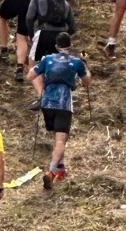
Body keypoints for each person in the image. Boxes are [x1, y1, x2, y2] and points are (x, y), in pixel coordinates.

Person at [29, 42, 91, 189]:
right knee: (60, 140)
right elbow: (87, 82)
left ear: (56, 46)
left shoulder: (47, 59)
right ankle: (51, 171)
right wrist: (85, 65)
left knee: (55, 136)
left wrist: (37, 65)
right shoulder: (76, 61)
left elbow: (30, 75)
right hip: (64, 104)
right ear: (70, 46)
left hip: (47, 102)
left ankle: (60, 168)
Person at [26, 0, 77, 64]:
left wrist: (31, 35)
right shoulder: (65, 3)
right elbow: (72, 27)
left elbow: (29, 18)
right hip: (61, 36)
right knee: (58, 65)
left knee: (34, 63)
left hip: (44, 34)